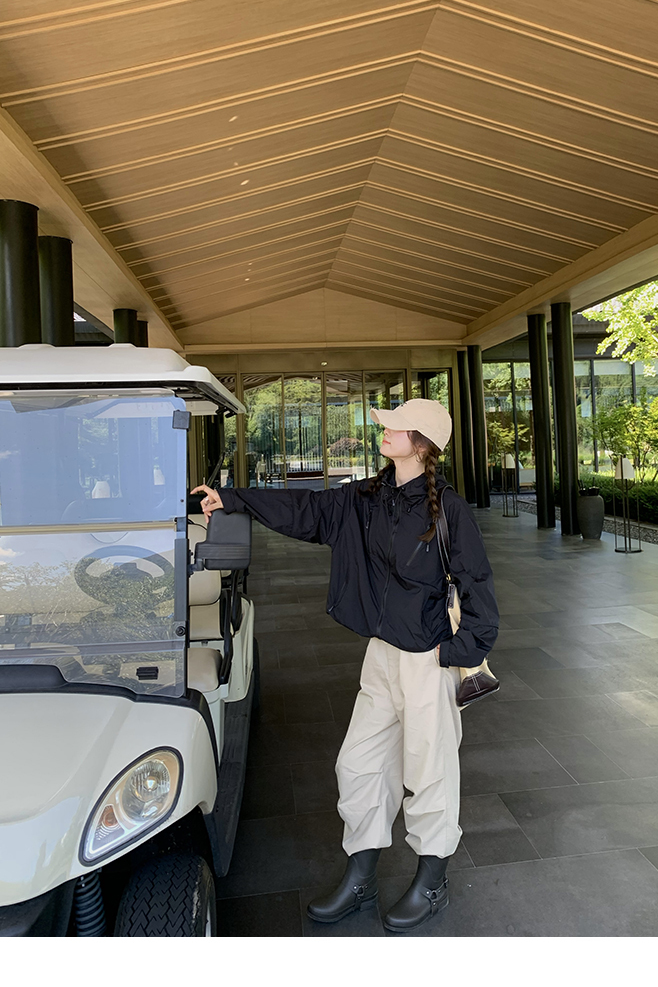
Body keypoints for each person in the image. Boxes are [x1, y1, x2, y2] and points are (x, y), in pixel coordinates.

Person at [193, 398, 499, 932]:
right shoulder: (367, 498)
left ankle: (432, 884)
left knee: (430, 772)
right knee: (357, 766)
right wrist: (234, 499)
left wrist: (453, 653)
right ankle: (361, 879)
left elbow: (479, 591)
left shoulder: (449, 510)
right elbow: (306, 511)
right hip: (381, 656)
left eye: (396, 427)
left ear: (421, 444)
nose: (385, 431)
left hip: (427, 660)